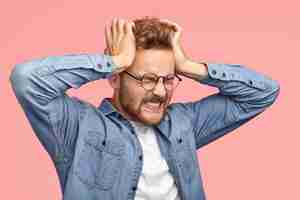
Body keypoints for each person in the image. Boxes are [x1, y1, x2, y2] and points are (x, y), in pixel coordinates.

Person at [10, 16, 280, 200]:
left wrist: (187, 66)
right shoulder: (78, 127)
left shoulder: (184, 122)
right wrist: (116, 60)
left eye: (168, 79)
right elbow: (26, 80)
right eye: (147, 79)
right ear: (115, 78)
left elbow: (264, 92)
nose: (161, 92)